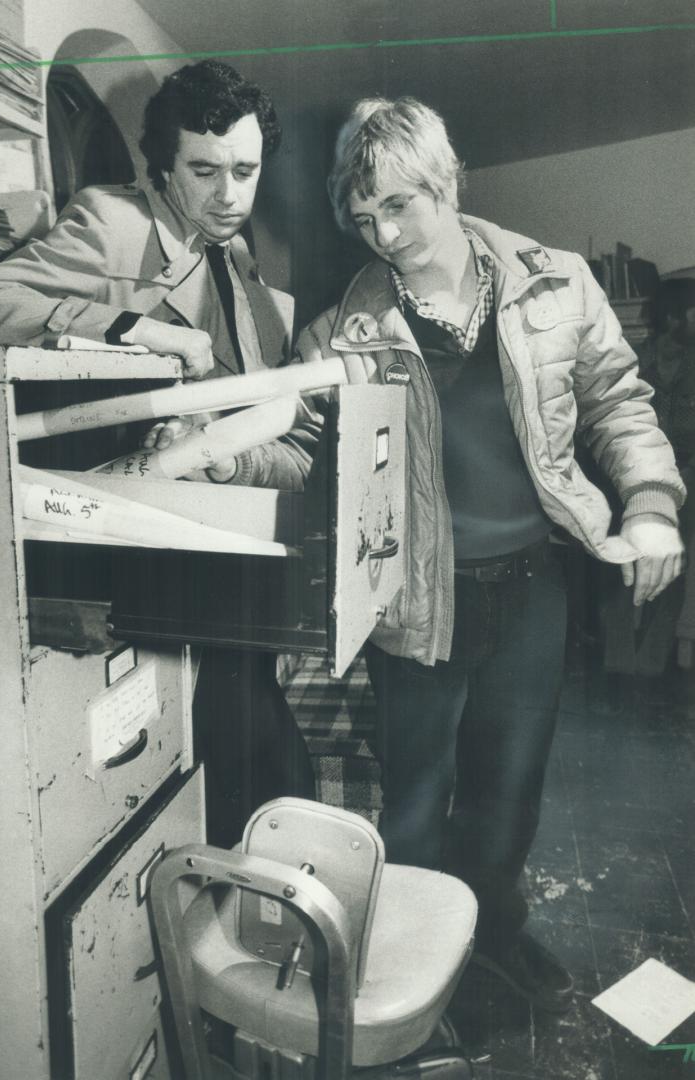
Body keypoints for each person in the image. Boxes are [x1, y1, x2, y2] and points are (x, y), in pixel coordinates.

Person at [293, 96, 685, 1013]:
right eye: (361, 220)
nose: (383, 235)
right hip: (413, 600)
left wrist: (653, 502)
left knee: (508, 794)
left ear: (447, 181)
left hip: (530, 587)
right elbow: (300, 450)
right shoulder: (336, 330)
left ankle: (492, 934)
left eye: (399, 207)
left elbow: (616, 402)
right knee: (418, 806)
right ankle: (417, 968)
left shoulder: (555, 284)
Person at [0, 60, 316, 844]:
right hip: (132, 542)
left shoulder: (241, 259)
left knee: (263, 756)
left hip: (223, 532)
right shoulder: (113, 219)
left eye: (244, 172)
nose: (227, 195)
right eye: (204, 171)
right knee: (215, 758)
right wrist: (132, 327)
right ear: (164, 166)